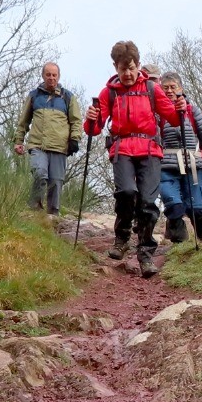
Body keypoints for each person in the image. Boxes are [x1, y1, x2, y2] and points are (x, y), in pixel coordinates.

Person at [82, 41, 184, 277]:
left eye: (131, 68)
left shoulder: (151, 88)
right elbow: (94, 129)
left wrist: (180, 108)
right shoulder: (109, 92)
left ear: (138, 65)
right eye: (122, 69)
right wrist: (91, 118)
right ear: (115, 68)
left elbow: (174, 118)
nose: (127, 73)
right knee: (126, 192)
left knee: (148, 203)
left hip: (150, 150)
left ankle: (146, 254)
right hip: (122, 149)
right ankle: (122, 237)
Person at [155, 72, 202, 243]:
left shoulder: (193, 110)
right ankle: (179, 243)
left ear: (181, 88)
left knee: (196, 208)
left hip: (193, 165)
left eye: (173, 87)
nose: (169, 91)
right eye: (165, 88)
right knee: (173, 204)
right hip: (166, 167)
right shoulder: (156, 113)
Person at [14, 62, 82, 218]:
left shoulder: (68, 97)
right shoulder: (34, 96)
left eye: (54, 75)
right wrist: (18, 141)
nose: (51, 78)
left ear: (59, 76)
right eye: (48, 74)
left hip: (59, 147)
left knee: (56, 182)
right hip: (38, 145)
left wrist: (74, 139)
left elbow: (76, 121)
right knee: (39, 174)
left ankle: (53, 215)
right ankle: (35, 210)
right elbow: (23, 121)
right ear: (43, 76)